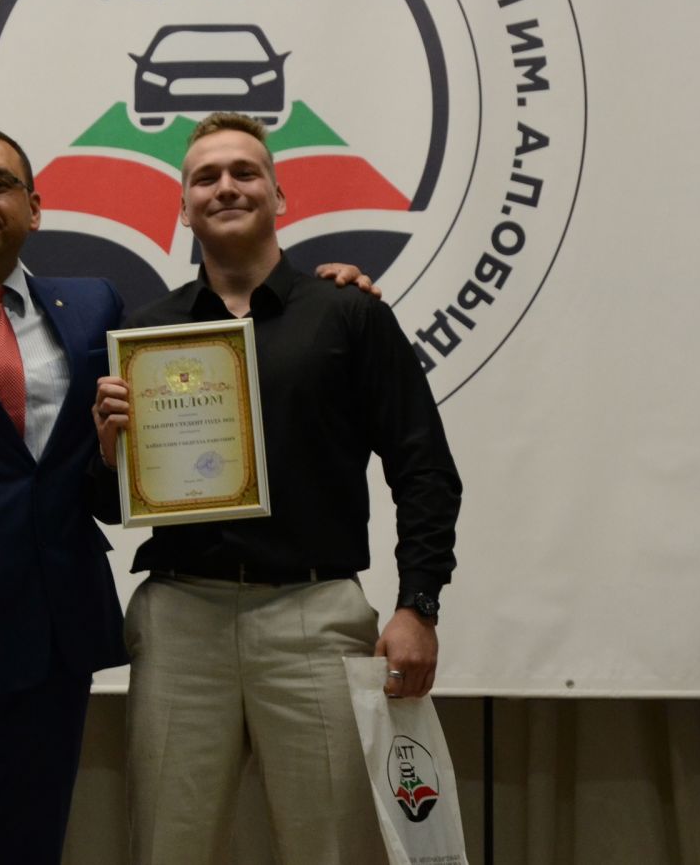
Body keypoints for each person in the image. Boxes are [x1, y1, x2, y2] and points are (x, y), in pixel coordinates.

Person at [0, 125, 381, 864]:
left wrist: (327, 290)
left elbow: (195, 347)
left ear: (35, 208)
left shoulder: (93, 309)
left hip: (50, 657)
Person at [93, 112, 464, 865]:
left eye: (245, 172)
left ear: (279, 194)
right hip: (181, 616)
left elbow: (424, 467)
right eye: (205, 177)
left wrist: (418, 603)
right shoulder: (146, 334)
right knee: (167, 850)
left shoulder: (349, 313)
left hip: (314, 614)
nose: (226, 186)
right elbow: (111, 506)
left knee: (334, 849)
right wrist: (108, 455)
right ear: (184, 206)